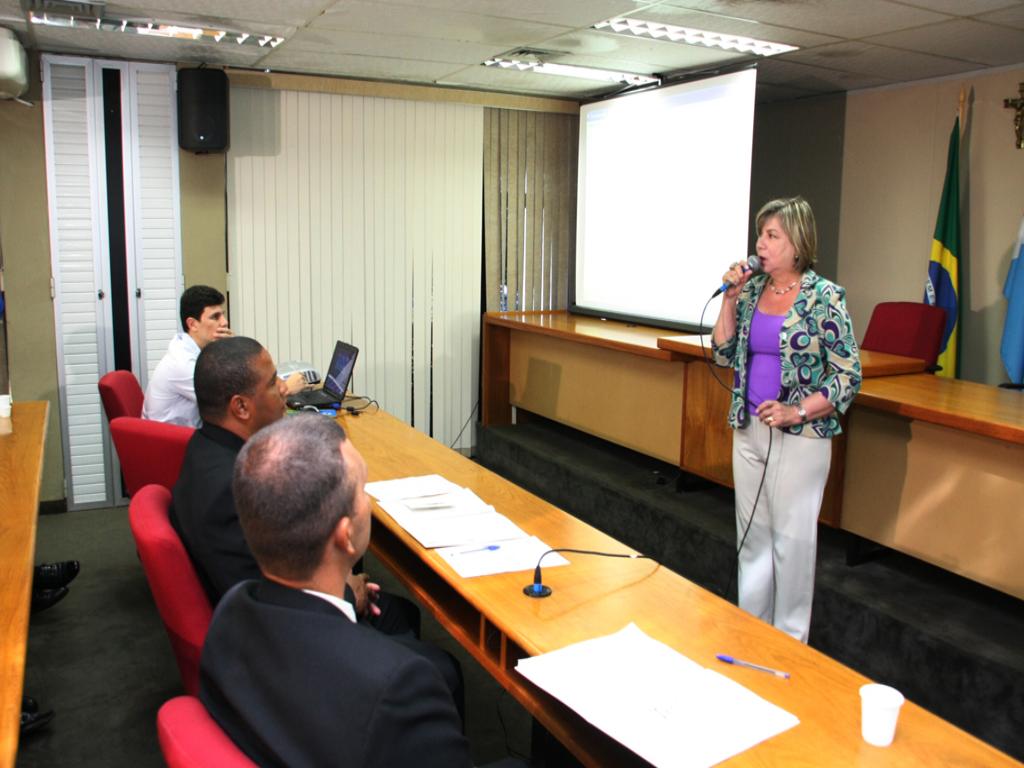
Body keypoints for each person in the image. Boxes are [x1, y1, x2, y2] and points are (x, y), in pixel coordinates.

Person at [171, 336, 463, 710]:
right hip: (281, 649)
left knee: (400, 611)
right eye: (273, 382)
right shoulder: (228, 489)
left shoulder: (205, 452)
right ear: (240, 407)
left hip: (267, 617)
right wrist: (344, 592)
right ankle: (404, 701)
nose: (283, 388)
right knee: (444, 669)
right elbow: (266, 597)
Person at [200, 415, 472, 767]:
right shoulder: (397, 686)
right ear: (345, 536)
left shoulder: (229, 612)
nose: (368, 502)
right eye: (362, 491)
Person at [711, 196, 861, 643]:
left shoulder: (824, 297)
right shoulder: (752, 290)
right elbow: (722, 352)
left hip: (801, 438)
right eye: (761, 234)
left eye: (771, 235)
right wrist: (729, 300)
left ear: (796, 244)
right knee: (752, 539)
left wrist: (796, 410)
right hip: (749, 430)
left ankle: (790, 646)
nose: (760, 243)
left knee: (791, 546)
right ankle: (751, 637)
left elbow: (847, 375)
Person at [142, 285, 232, 427]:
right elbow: (228, 402)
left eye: (223, 314)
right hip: (172, 438)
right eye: (215, 317)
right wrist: (233, 350)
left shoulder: (194, 350)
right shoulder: (184, 363)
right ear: (192, 324)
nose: (224, 322)